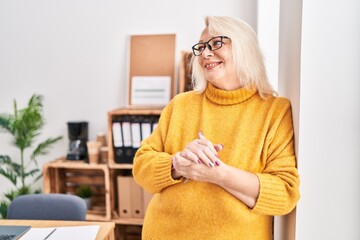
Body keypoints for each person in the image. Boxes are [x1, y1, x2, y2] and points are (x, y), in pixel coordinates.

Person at [132, 15, 300, 240]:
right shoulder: (180, 105)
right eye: (201, 47)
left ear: (244, 48)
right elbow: (141, 166)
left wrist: (219, 174)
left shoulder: (274, 111)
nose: (205, 53)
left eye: (216, 43)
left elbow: (284, 194)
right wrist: (177, 163)